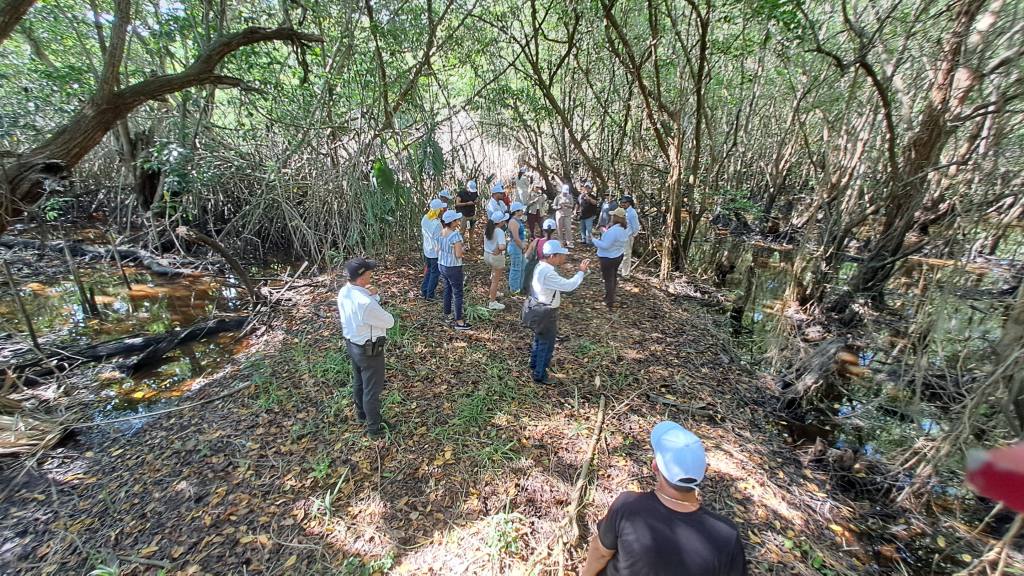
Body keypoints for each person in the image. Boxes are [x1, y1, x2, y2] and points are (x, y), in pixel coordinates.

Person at [581, 421, 748, 576]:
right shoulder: (727, 537)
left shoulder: (629, 507)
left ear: (655, 467)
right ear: (704, 471)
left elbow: (600, 553)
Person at [336, 257, 396, 439]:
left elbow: (369, 303)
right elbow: (389, 321)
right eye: (369, 274)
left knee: (359, 381)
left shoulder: (345, 292)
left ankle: (361, 414)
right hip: (369, 349)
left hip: (352, 343)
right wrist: (374, 297)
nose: (371, 276)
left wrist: (373, 294)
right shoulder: (365, 303)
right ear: (361, 278)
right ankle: (374, 427)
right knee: (372, 388)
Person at [524, 240, 590, 384]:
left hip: (538, 308)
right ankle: (540, 374)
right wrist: (581, 272)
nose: (564, 258)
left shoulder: (540, 266)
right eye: (561, 255)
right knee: (546, 343)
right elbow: (568, 286)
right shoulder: (548, 273)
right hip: (546, 313)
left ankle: (535, 365)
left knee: (539, 339)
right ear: (553, 256)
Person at [439, 210, 471, 331]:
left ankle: (447, 314)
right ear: (452, 222)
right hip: (453, 267)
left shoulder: (442, 232)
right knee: (457, 293)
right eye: (456, 220)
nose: (458, 222)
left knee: (447, 289)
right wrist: (463, 250)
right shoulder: (455, 235)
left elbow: (439, 249)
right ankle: (459, 321)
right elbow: (458, 254)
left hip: (442, 265)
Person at [591, 207, 629, 309]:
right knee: (613, 277)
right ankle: (610, 296)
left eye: (613, 215)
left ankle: (609, 301)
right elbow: (612, 240)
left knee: (608, 279)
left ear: (616, 217)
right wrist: (605, 231)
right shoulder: (624, 229)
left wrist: (593, 240)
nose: (611, 217)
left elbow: (605, 245)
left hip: (608, 257)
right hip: (617, 256)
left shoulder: (615, 230)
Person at [419, 198, 445, 300]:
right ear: (438, 210)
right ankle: (430, 294)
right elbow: (439, 240)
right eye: (441, 210)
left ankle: (424, 290)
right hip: (435, 252)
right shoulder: (437, 224)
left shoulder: (425, 218)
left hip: (427, 250)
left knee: (429, 270)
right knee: (435, 273)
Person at [483, 210, 509, 310]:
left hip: (487, 255)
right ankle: (492, 302)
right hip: (496, 257)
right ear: (501, 222)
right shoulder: (500, 232)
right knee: (495, 281)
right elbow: (502, 246)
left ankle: (493, 292)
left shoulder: (487, 229)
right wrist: (498, 249)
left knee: (493, 274)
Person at [523, 218, 557, 292]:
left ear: (543, 229)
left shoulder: (536, 241)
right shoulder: (557, 243)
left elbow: (526, 256)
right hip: (551, 271)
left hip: (537, 269)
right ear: (555, 230)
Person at [507, 202, 528, 294]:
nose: (522, 211)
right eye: (521, 210)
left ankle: (520, 286)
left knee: (522, 266)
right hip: (516, 246)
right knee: (516, 268)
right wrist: (522, 246)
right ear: (516, 211)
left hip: (520, 246)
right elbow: (516, 238)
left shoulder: (518, 220)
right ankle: (514, 289)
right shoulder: (513, 222)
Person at [619, 195, 641, 278]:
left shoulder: (632, 213)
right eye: (622, 202)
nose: (623, 204)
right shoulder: (624, 211)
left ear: (629, 203)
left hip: (628, 236)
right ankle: (620, 269)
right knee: (621, 253)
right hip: (622, 235)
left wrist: (632, 235)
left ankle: (625, 273)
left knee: (626, 255)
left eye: (624, 202)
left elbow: (636, 227)